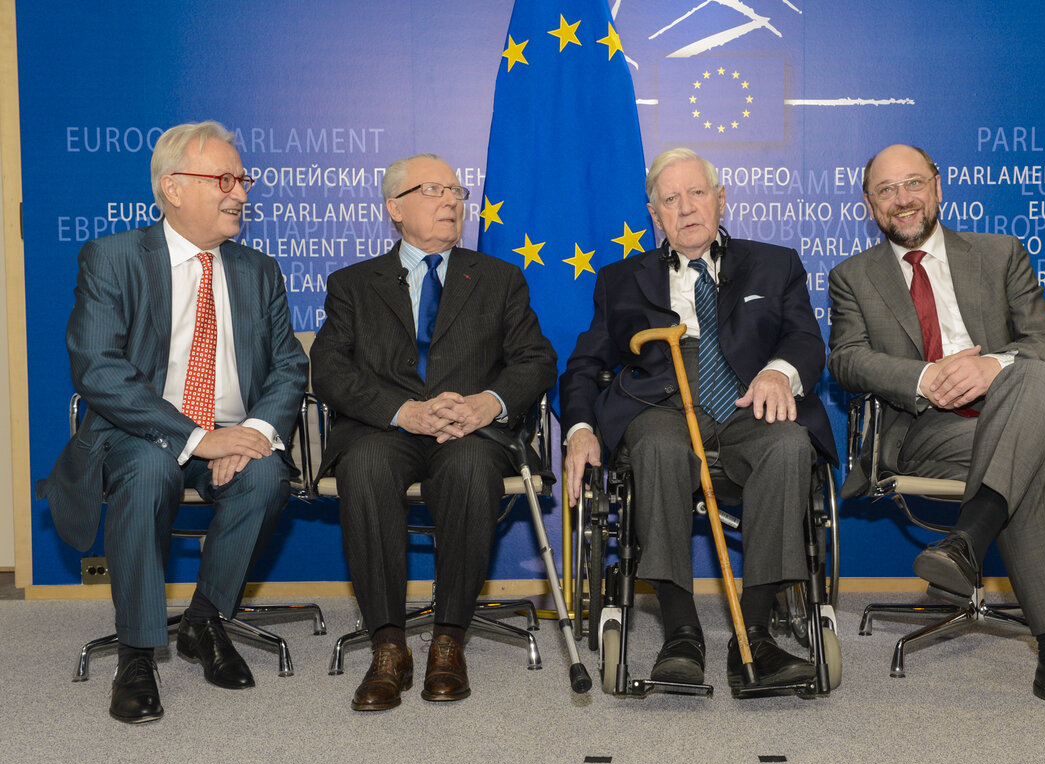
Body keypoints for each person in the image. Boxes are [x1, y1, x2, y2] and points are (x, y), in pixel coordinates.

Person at [828, 143, 1045, 721]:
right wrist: (927, 376)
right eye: (887, 190)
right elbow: (846, 360)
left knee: (1036, 375)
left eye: (914, 184)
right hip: (930, 430)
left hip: (1017, 406)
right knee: (1030, 456)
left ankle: (969, 542)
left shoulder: (1000, 254)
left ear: (939, 187)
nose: (903, 200)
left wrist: (989, 365)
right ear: (869, 204)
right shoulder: (851, 277)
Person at [38, 121, 309, 724]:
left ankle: (205, 623)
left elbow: (289, 364)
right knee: (149, 470)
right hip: (142, 434)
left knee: (267, 479)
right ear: (173, 188)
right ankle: (136, 653)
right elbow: (98, 369)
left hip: (236, 433)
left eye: (243, 179)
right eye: (225, 179)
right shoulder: (112, 258)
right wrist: (197, 437)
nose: (241, 192)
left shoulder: (258, 270)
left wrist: (258, 434)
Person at [561, 147, 837, 688]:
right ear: (655, 215)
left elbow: (805, 338)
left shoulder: (774, 263)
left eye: (696, 193)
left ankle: (754, 636)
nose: (685, 208)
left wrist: (779, 372)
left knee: (790, 445)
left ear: (721, 199)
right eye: (670, 199)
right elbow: (584, 365)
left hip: (748, 401)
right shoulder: (620, 279)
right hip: (658, 404)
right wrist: (580, 429)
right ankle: (681, 633)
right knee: (658, 447)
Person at [310, 154, 556, 709]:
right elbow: (329, 369)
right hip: (385, 428)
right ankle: (388, 646)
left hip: (470, 432)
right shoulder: (352, 284)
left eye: (456, 191)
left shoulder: (498, 278)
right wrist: (403, 411)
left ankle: (449, 639)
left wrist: (487, 403)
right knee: (367, 467)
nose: (451, 201)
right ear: (395, 208)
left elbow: (535, 360)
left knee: (469, 467)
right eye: (433, 190)